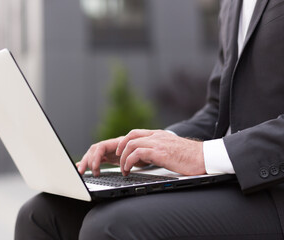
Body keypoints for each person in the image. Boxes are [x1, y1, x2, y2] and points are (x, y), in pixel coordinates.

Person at [15, 0, 284, 239]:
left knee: (109, 226)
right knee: (41, 214)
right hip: (233, 182)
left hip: (275, 191)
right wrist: (154, 146)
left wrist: (203, 155)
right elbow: (219, 110)